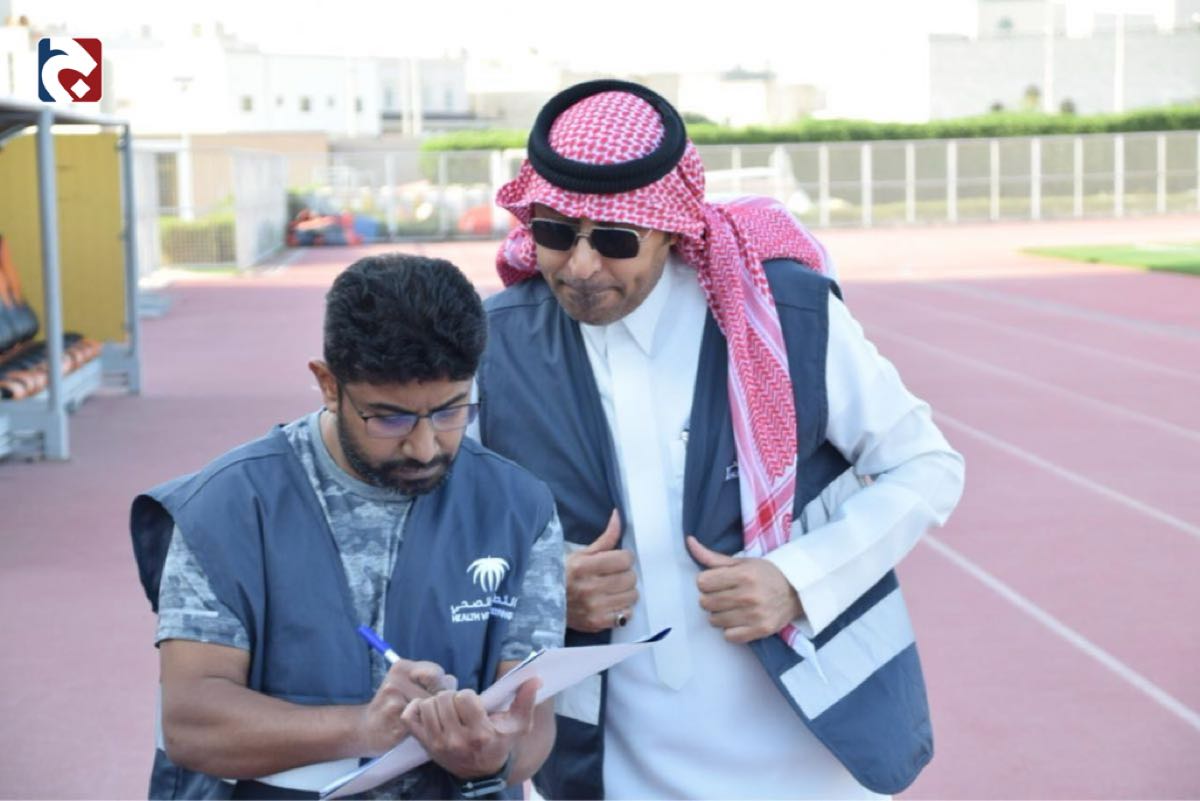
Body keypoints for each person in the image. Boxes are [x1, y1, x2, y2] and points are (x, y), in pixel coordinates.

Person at [474, 79, 966, 799]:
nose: (580, 266)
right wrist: (542, 591)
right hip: (606, 765)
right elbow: (446, 529)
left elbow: (925, 465)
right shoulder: (498, 346)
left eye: (614, 240)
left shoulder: (785, 315)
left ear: (671, 227)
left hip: (814, 756)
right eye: (553, 232)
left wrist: (799, 579)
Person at [130, 254, 565, 800]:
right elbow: (192, 724)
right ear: (328, 384)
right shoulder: (224, 508)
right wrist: (362, 728)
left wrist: (490, 756)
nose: (424, 446)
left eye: (451, 411)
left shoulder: (519, 508)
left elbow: (533, 726)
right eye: (389, 417)